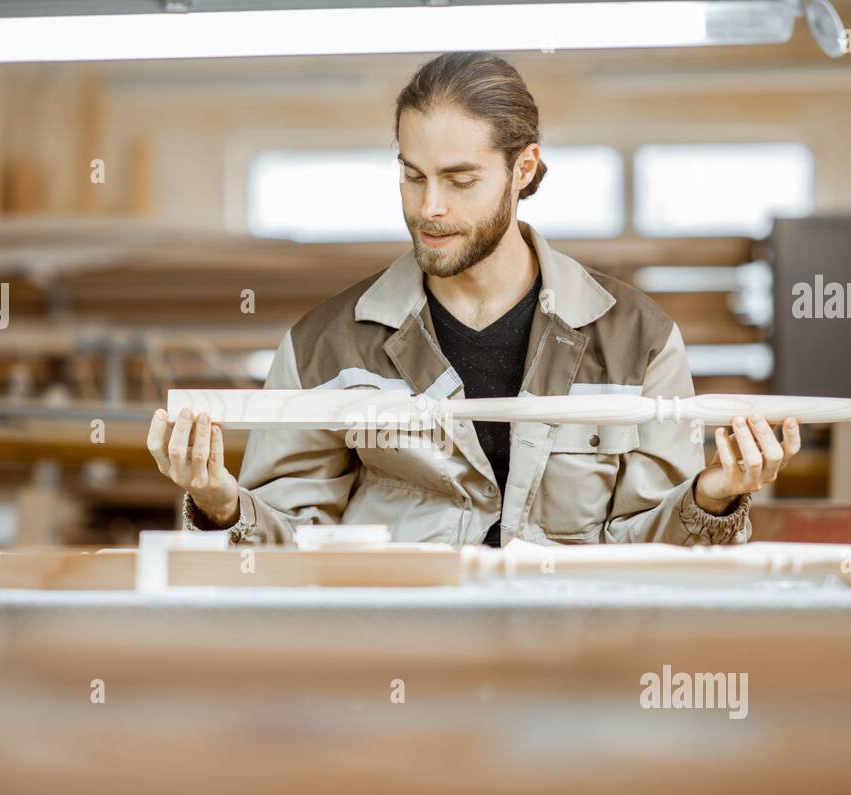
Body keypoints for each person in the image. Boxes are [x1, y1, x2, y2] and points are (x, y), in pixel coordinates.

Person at [148, 51, 799, 548]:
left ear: (523, 170)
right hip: (400, 669)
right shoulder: (328, 345)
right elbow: (291, 553)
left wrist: (714, 494)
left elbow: (650, 559)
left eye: (460, 180)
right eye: (412, 176)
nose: (430, 208)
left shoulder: (637, 340)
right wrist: (219, 502)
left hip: (568, 678)